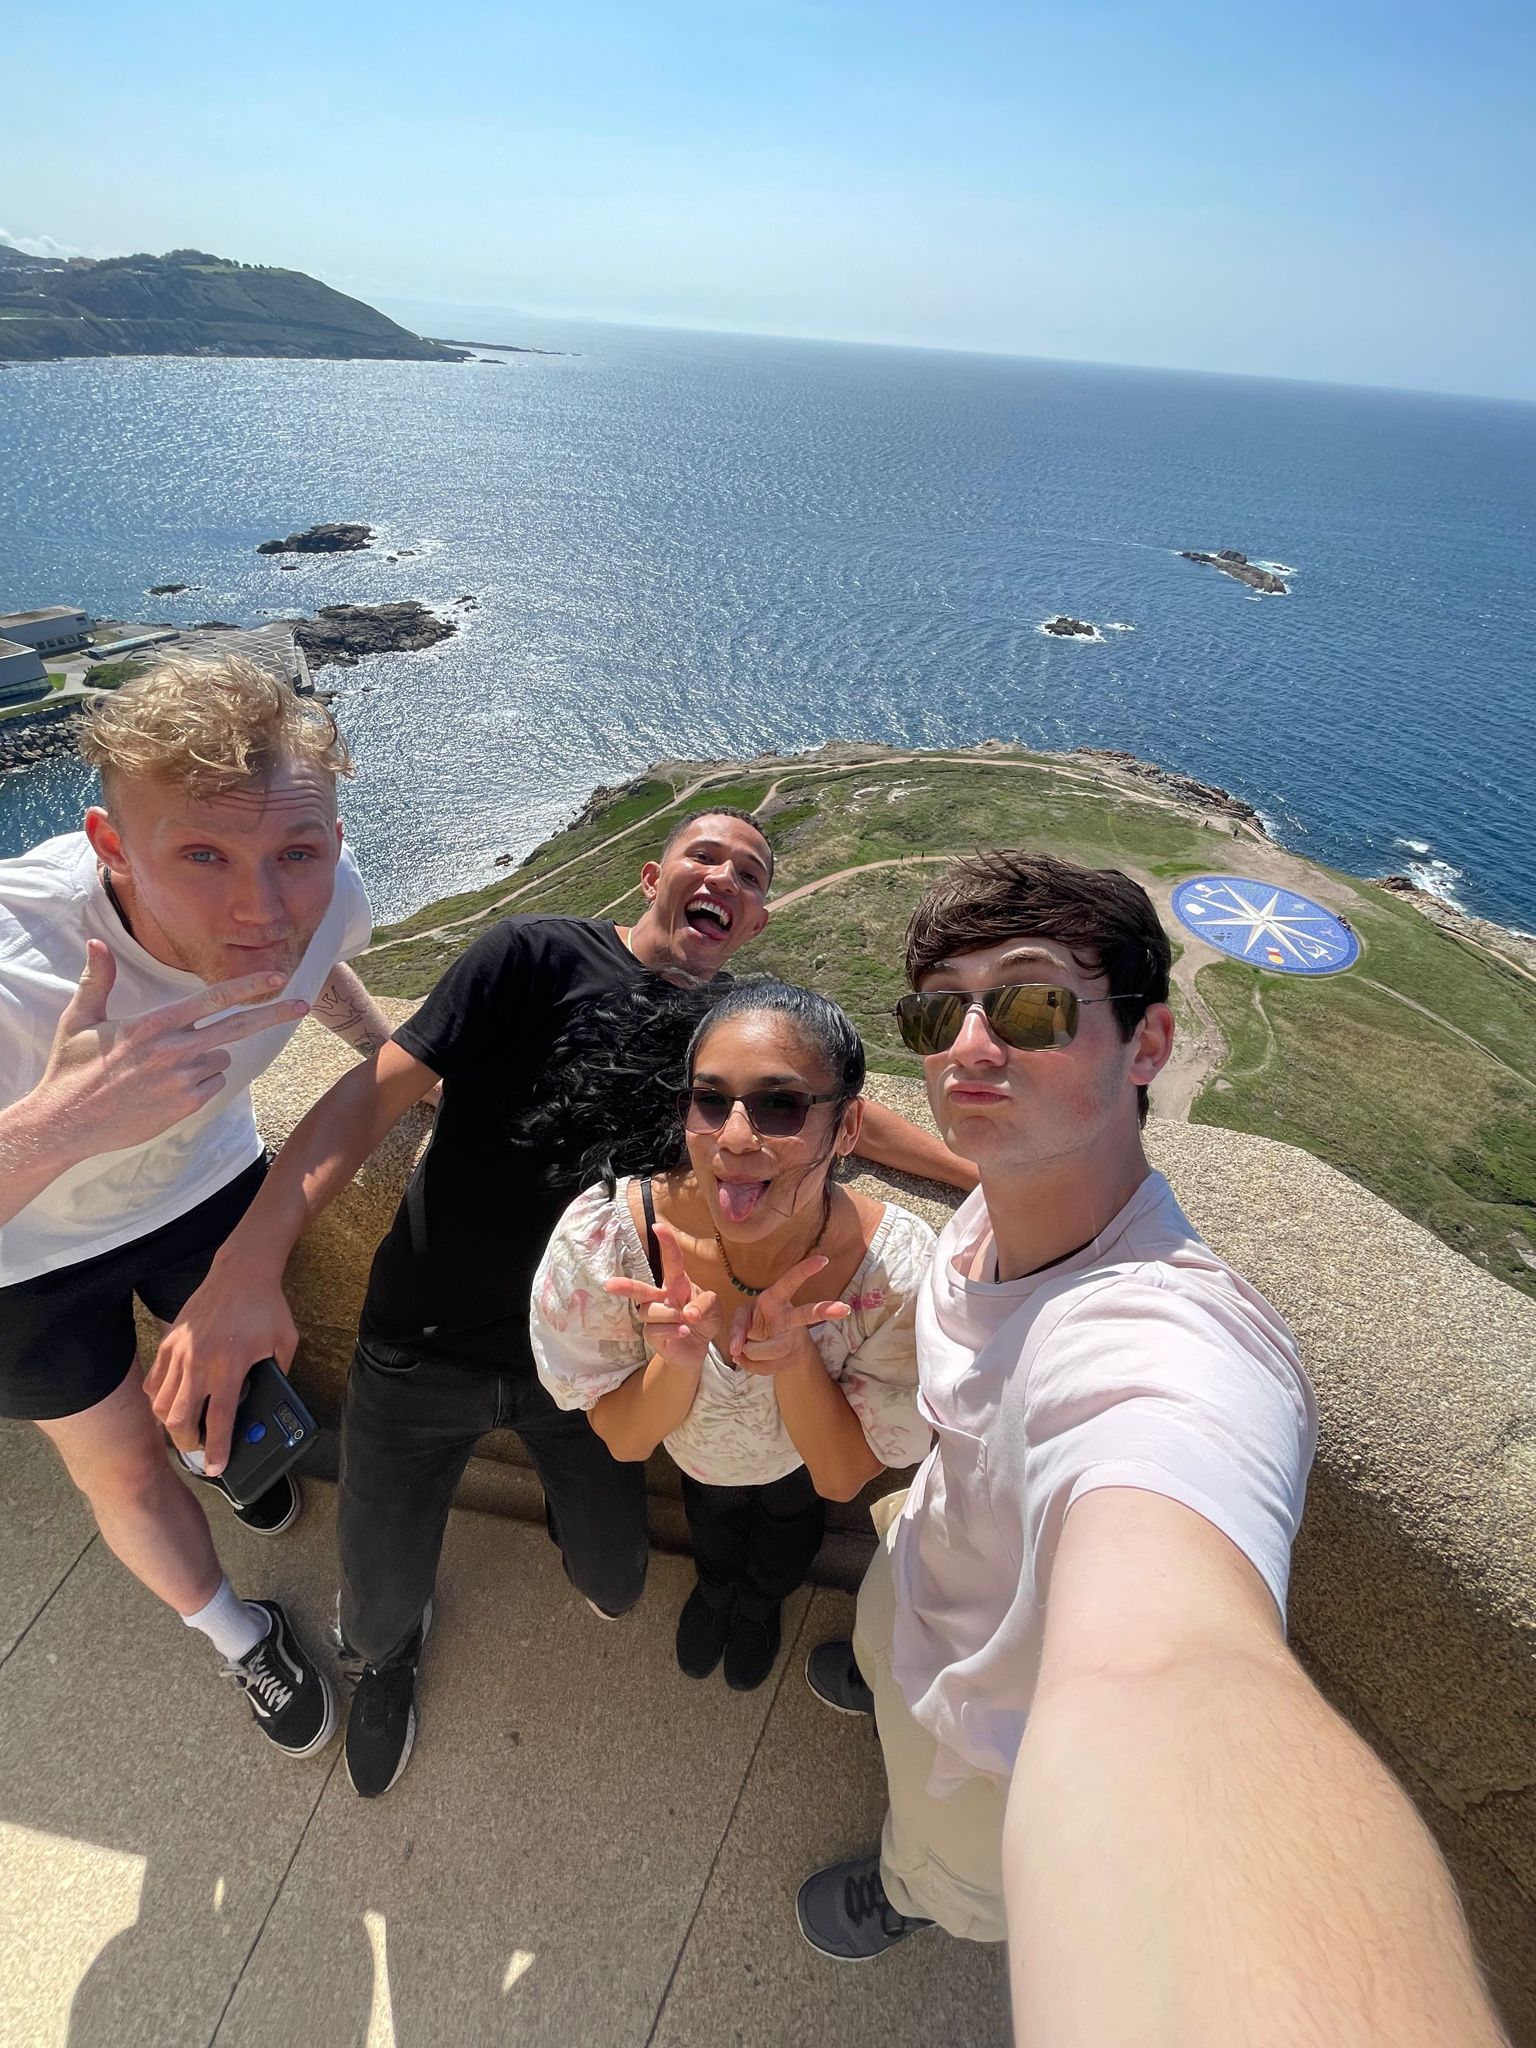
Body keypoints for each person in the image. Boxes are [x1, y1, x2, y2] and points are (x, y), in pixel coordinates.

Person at [794, 850, 1510, 2048]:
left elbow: (1173, 1671)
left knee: (952, 1863)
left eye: (1028, 1003)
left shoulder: (1167, 1345)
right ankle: (874, 1668)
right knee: (876, 1640)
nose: (969, 1046)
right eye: (937, 1009)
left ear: (1151, 1043)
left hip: (992, 1731)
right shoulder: (998, 1203)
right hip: (923, 1574)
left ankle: (911, 1891)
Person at [154, 805, 975, 1797]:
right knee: (372, 1598)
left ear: (756, 919)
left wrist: (985, 1175)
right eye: (703, 854)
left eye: (750, 872)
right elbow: (373, 1091)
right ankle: (384, 1656)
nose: (724, 874)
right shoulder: (533, 954)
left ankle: (556, 1530)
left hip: (601, 1366)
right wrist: (250, 1260)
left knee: (616, 1580)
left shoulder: (735, 1046)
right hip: (423, 1341)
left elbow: (852, 1116)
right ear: (651, 876)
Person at [0, 656, 393, 1758]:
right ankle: (237, 1633)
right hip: (18, 1255)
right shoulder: (13, 964)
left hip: (200, 1183)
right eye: (204, 854)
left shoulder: (327, 891)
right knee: (120, 1461)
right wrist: (65, 1120)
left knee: (238, 1383)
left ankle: (242, 1471)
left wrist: (388, 1051)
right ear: (110, 844)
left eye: (296, 854)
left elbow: (314, 961)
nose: (260, 907)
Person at [530, 980, 934, 1690]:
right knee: (711, 1523)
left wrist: (796, 1360)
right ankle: (717, 1590)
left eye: (780, 1105)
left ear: (847, 1127)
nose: (736, 1136)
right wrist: (677, 1364)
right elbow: (626, 1441)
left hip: (800, 1465)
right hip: (701, 1460)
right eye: (711, 1100)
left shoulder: (895, 1272)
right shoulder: (613, 1241)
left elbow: (841, 1474)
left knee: (789, 1530)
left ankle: (759, 1604)